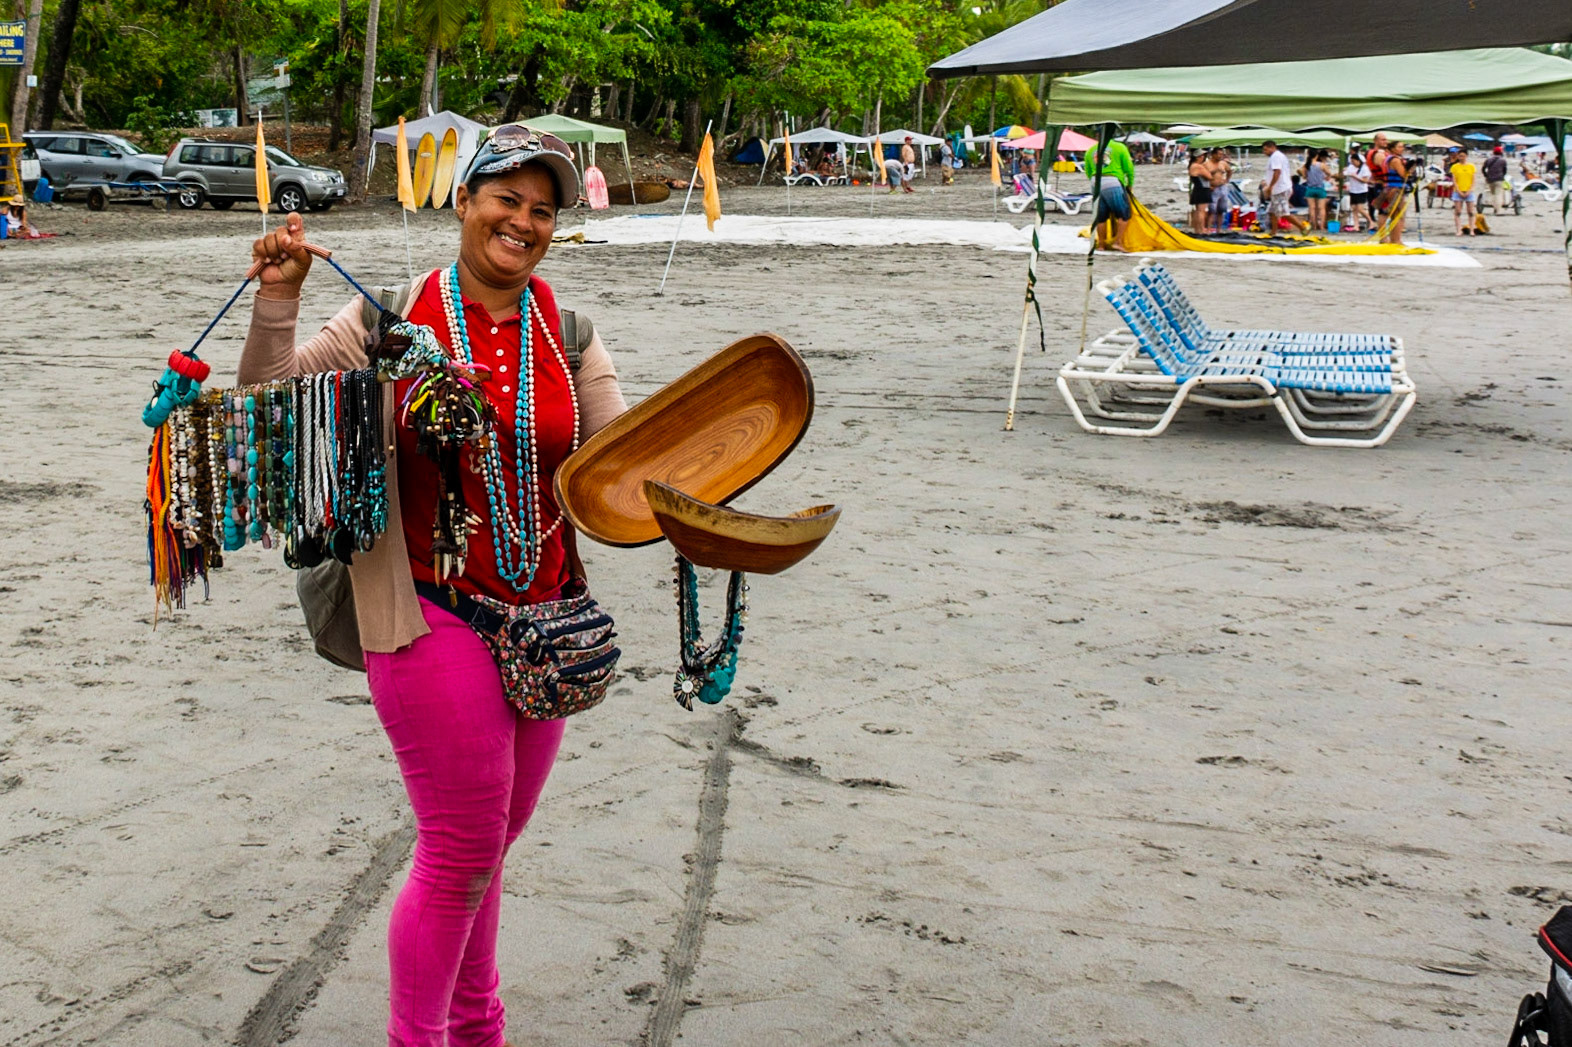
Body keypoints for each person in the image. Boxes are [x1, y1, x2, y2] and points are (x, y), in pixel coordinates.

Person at [241, 127, 627, 1047]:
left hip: (545, 618)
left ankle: (477, 1024)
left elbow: (621, 464)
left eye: (543, 209)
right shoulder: (386, 320)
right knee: (460, 844)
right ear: (464, 201)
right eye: (507, 199)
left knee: (489, 844)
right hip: (427, 610)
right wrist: (280, 298)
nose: (524, 221)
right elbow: (269, 405)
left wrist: (704, 483)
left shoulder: (567, 333)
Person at [1089, 136, 1135, 251]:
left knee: (1101, 217)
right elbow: (1129, 168)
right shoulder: (1119, 147)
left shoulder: (1091, 149)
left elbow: (1088, 170)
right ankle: (1118, 242)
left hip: (1095, 182)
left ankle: (1101, 245)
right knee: (1124, 214)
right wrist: (1130, 184)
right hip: (1112, 181)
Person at [1261, 140, 1306, 233]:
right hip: (1280, 188)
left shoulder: (1276, 157)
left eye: (1266, 150)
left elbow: (1277, 172)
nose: (1264, 152)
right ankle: (1273, 232)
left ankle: (1302, 227)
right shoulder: (1279, 156)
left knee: (1283, 212)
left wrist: (1270, 187)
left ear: (1272, 147)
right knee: (1272, 211)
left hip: (1280, 188)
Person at [1381, 140, 1412, 245]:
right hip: (1396, 189)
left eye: (1402, 147)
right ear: (1393, 148)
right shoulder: (1395, 160)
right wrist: (1411, 169)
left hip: (1390, 188)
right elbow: (1404, 174)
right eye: (1399, 147)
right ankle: (1396, 240)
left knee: (1394, 214)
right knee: (1398, 215)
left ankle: (1394, 239)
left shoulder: (1387, 159)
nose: (1402, 149)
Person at [1450, 149, 1479, 236]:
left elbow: (1473, 180)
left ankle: (1471, 229)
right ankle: (1459, 229)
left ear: (1466, 156)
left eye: (1463, 156)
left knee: (1471, 211)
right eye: (1460, 156)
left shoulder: (1471, 166)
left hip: (1469, 191)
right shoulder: (1455, 167)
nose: (1461, 158)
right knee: (1458, 211)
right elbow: (1454, 180)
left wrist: (1469, 190)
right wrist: (1459, 191)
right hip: (1458, 191)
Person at [1303, 149, 1333, 231]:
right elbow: (1329, 173)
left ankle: (1314, 225)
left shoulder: (1306, 165)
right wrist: (1326, 177)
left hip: (1310, 189)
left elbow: (1304, 176)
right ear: (1317, 156)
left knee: (1312, 208)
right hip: (1320, 188)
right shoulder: (1322, 165)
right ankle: (1322, 226)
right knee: (1321, 208)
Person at [1343, 149, 1372, 233]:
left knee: (1360, 209)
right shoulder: (1351, 167)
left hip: (1361, 191)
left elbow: (1365, 180)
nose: (1353, 163)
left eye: (1354, 161)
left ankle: (1371, 221)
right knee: (1354, 209)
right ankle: (1356, 225)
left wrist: (1354, 176)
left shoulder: (1364, 169)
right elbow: (1345, 174)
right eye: (1351, 161)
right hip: (1353, 190)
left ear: (1358, 161)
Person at [1187, 148, 1213, 234]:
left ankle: (1197, 229)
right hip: (1203, 189)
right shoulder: (1198, 166)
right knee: (1201, 211)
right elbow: (1209, 176)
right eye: (1202, 156)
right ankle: (1201, 229)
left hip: (1197, 188)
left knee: (1198, 210)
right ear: (1198, 157)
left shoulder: (1192, 165)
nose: (1203, 157)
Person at [1207, 148, 1233, 232]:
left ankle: (1219, 229)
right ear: (1213, 154)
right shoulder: (1207, 164)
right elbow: (1202, 176)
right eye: (1219, 154)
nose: (1220, 156)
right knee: (1211, 210)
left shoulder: (1223, 163)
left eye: (1222, 154)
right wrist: (1208, 185)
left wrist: (1227, 180)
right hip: (1213, 187)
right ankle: (1208, 229)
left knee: (1221, 209)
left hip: (1222, 186)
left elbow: (1229, 171)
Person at [1483, 145, 1509, 215]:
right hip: (1499, 179)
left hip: (1490, 179)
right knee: (1498, 194)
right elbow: (1505, 170)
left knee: (1493, 194)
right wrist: (1502, 176)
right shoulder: (1503, 160)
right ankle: (1498, 210)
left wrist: (1486, 175)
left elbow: (1483, 169)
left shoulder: (1488, 160)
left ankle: (1495, 208)